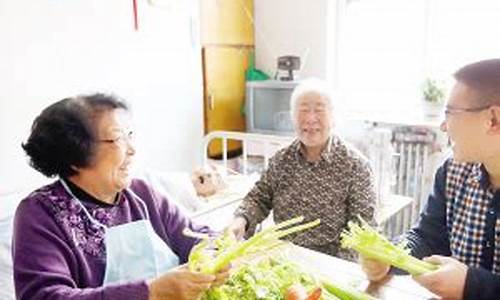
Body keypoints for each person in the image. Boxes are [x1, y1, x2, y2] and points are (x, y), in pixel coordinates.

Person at [13, 94, 228, 300]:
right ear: (74, 156)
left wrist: (217, 252)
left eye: (130, 135)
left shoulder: (142, 194)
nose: (132, 149)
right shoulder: (40, 213)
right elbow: (44, 296)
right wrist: (151, 293)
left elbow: (195, 236)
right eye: (118, 138)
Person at [360, 59, 500, 300]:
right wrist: (390, 256)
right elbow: (427, 237)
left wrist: (471, 285)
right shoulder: (453, 171)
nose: (443, 126)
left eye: (451, 113)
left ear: (493, 120)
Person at [227, 78, 377, 259]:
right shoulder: (281, 160)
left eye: (319, 110)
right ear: (293, 117)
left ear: (334, 117)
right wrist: (240, 220)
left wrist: (337, 270)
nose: (310, 118)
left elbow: (362, 228)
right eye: (303, 110)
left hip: (332, 262)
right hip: (284, 257)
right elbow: (259, 198)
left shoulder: (356, 166)